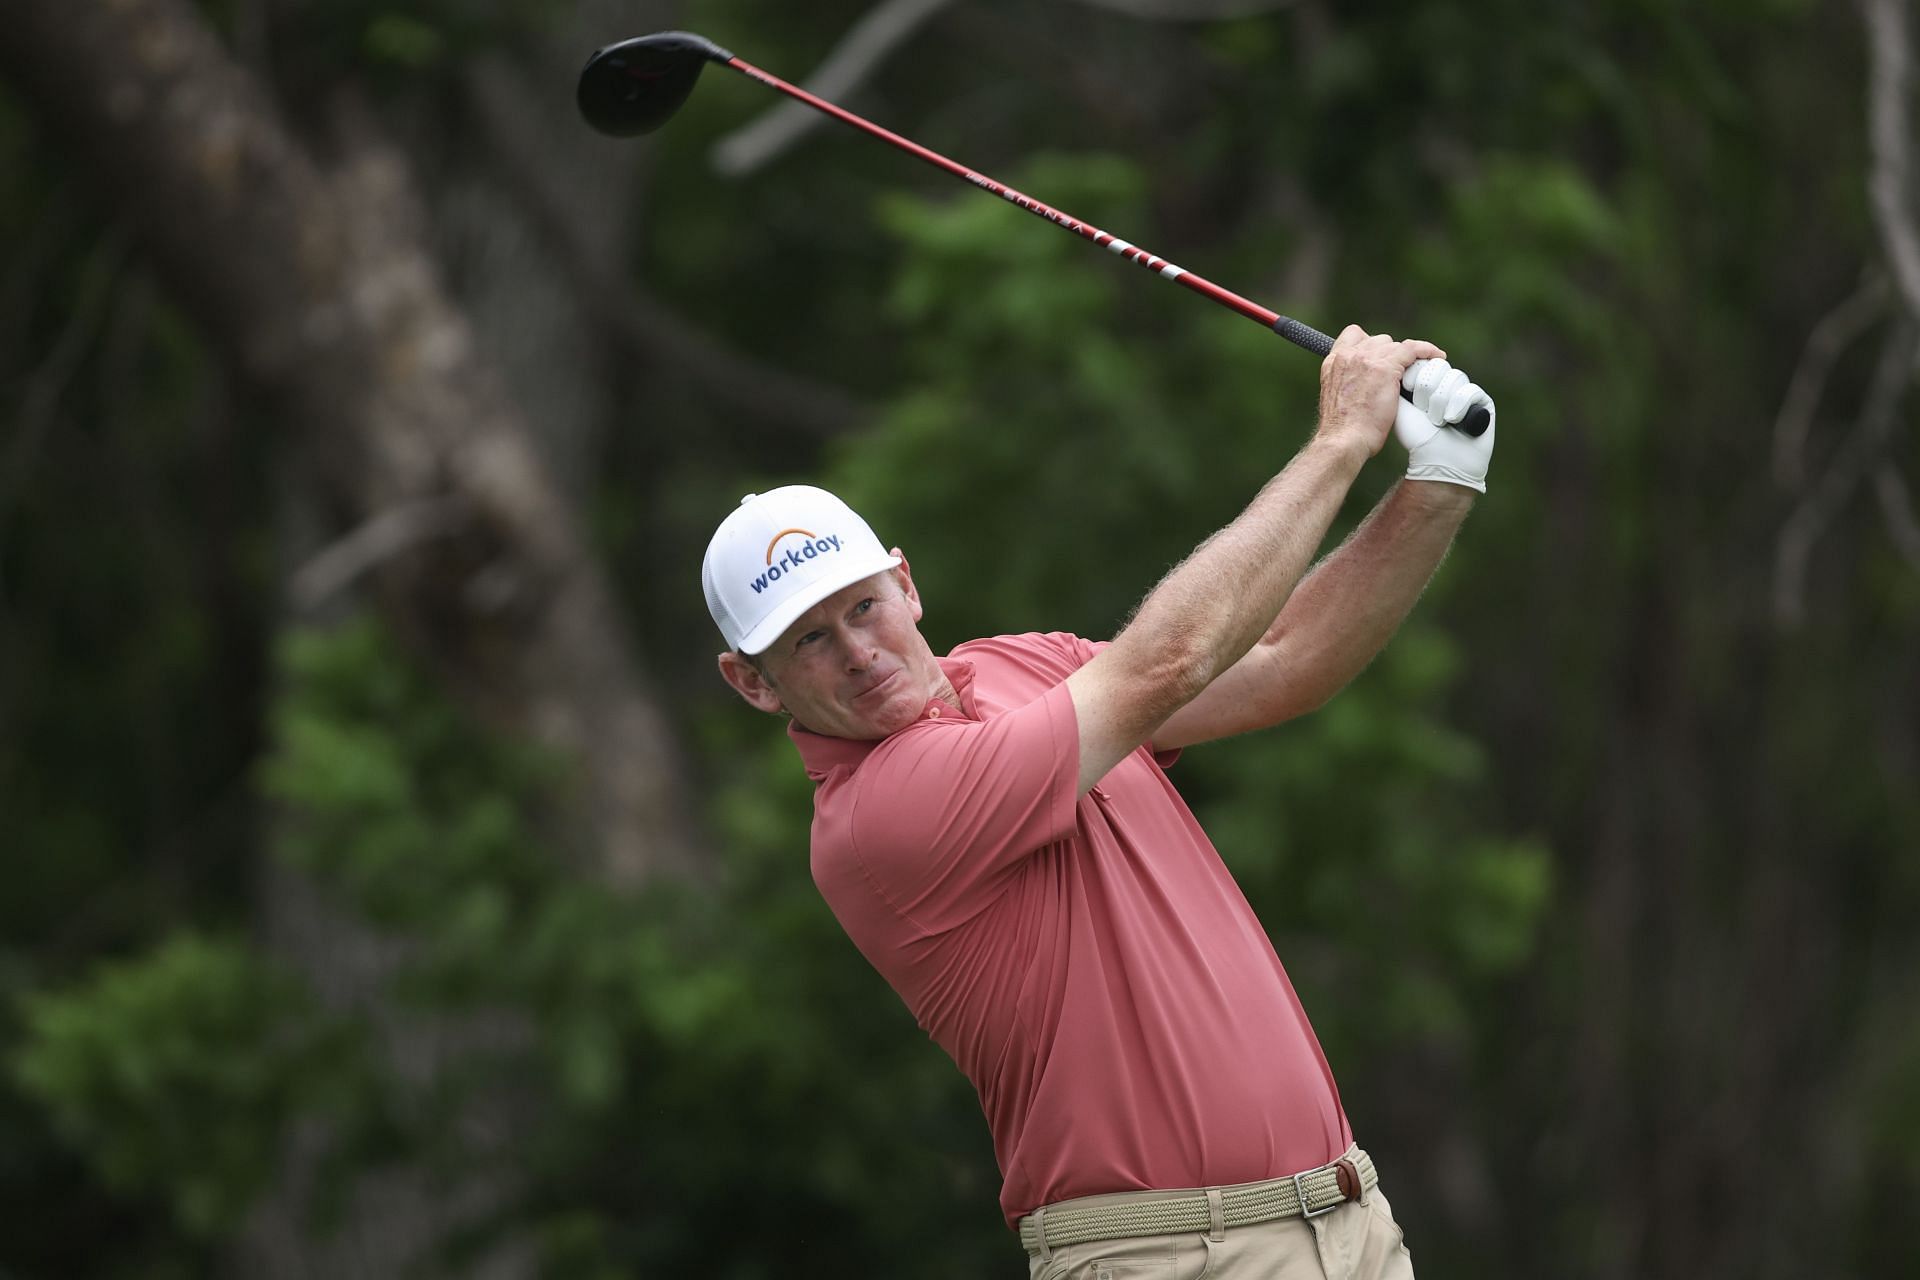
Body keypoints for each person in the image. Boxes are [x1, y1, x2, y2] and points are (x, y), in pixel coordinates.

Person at [703, 327, 1495, 1279]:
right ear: (754, 684)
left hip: (1346, 1223)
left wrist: (1440, 482)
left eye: (862, 606)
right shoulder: (877, 818)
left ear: (906, 585)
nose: (859, 651)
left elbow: (1283, 664)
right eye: (808, 642)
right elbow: (1166, 661)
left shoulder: (1018, 667)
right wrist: (1339, 442)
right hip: (1165, 1256)